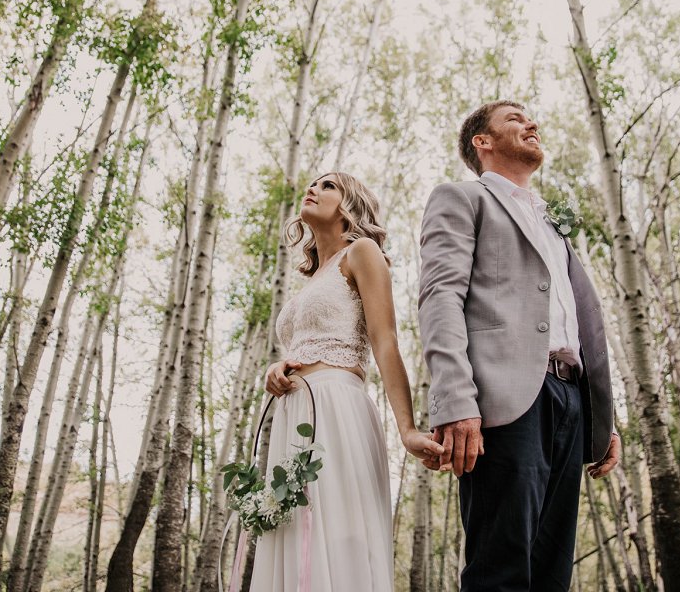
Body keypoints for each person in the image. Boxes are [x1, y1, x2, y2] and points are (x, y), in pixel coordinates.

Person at [418, 100, 622, 592]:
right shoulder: (461, 198)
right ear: (482, 142)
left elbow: (574, 318)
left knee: (552, 571)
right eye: (514, 118)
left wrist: (602, 417)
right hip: (504, 403)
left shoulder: (553, 221)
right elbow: (440, 297)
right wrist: (455, 400)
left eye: (530, 117)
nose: (531, 123)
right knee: (501, 569)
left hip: (571, 402)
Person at [252, 171, 442, 592]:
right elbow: (308, 343)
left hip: (336, 410)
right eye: (313, 184)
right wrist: (279, 369)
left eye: (328, 186)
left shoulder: (362, 252)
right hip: (292, 416)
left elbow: (385, 340)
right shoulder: (311, 279)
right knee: (292, 536)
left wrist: (407, 430)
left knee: (337, 533)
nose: (313, 189)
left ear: (349, 206)